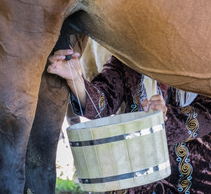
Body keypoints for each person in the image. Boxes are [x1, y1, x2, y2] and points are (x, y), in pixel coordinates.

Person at [47, 49, 211, 194]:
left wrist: (161, 118)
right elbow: (103, 103)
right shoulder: (130, 56)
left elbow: (206, 116)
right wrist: (75, 78)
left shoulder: (204, 55)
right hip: (136, 177)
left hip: (194, 179)